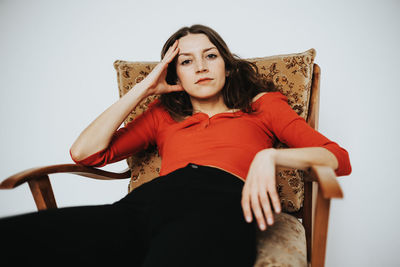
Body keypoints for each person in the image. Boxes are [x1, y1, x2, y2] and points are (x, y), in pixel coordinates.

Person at [0, 24, 351, 266]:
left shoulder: (262, 105)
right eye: (186, 61)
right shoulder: (163, 114)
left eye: (210, 56)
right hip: (144, 206)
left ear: (227, 66)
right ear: (175, 75)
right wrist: (145, 89)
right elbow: (85, 152)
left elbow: (337, 158)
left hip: (221, 204)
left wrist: (270, 157)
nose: (200, 66)